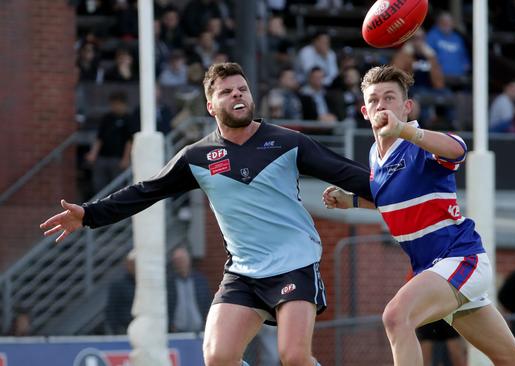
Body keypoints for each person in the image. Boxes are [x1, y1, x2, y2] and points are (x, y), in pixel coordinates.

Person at [40, 62, 372, 366]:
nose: (237, 94)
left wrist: (400, 189)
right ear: (211, 106)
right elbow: (144, 191)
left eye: (242, 89)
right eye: (226, 92)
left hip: (295, 263)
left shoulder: (287, 142)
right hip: (244, 272)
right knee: (217, 357)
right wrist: (88, 214)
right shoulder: (197, 157)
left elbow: (348, 173)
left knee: (294, 356)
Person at [322, 65, 515, 366]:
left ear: (407, 106)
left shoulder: (416, 142)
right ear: (364, 111)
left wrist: (406, 131)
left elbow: (458, 149)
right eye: (374, 100)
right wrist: (351, 201)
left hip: (459, 259)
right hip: (432, 268)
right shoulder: (376, 156)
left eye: (390, 98)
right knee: (513, 361)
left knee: (395, 316)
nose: (381, 105)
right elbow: (396, 201)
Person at [85, 91, 135, 194]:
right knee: (99, 185)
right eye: (113, 104)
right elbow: (100, 138)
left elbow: (129, 141)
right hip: (102, 157)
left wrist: (126, 158)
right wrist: (93, 154)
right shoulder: (107, 118)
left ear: (123, 104)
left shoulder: (128, 119)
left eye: (117, 104)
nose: (114, 107)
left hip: (118, 159)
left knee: (117, 188)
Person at [167, 246, 212, 333]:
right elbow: (166, 306)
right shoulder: (169, 283)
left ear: (188, 260)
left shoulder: (200, 281)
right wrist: (170, 324)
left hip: (199, 330)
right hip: (177, 331)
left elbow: (207, 303)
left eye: (182, 260)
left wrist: (207, 323)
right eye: (177, 261)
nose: (180, 263)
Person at [106, 249, 137, 334]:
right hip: (124, 329)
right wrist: (117, 330)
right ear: (126, 264)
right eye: (132, 263)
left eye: (136, 263)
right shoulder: (118, 285)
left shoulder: (146, 285)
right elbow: (111, 310)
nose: (134, 267)